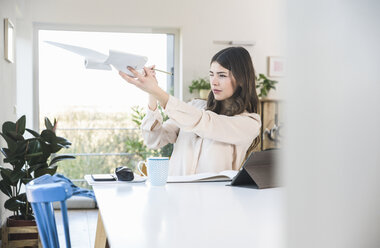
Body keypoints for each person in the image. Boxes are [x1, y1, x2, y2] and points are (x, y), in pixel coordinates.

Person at [119, 47, 261, 176]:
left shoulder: (249, 123)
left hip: (214, 201)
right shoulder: (195, 106)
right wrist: (152, 94)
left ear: (241, 79)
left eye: (222, 75)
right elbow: (154, 140)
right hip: (175, 198)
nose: (214, 82)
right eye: (211, 74)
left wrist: (156, 91)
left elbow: (205, 123)